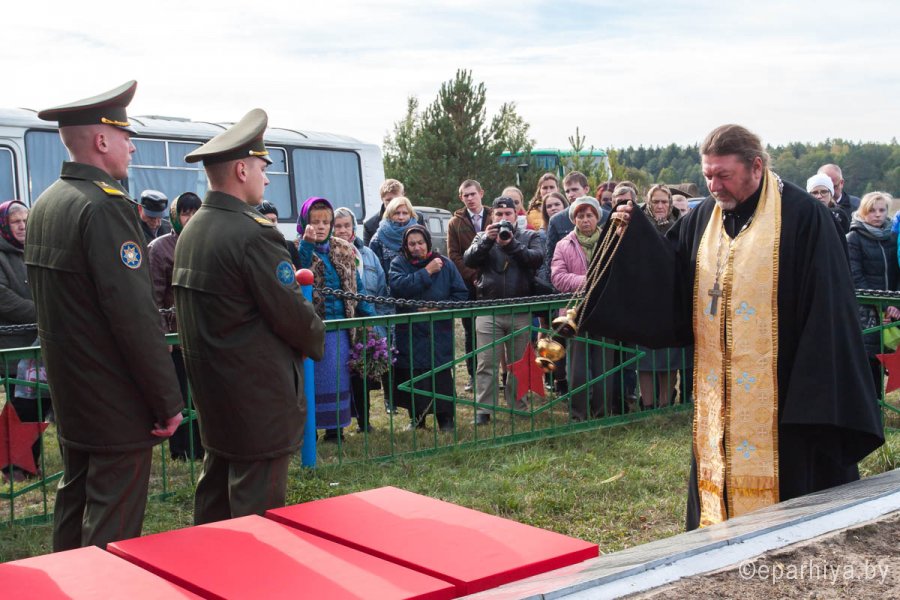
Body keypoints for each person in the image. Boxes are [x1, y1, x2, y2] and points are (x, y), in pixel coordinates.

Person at [579, 124, 884, 530]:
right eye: (708, 175)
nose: (713, 185)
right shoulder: (705, 215)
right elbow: (672, 279)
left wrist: (813, 393)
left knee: (793, 510)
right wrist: (632, 235)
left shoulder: (802, 216)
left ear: (756, 166)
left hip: (785, 395)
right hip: (718, 395)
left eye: (723, 175)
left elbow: (829, 309)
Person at [26, 81, 184, 550]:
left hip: (72, 391)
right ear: (101, 140)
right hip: (115, 396)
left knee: (74, 501)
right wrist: (167, 400)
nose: (132, 147)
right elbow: (133, 315)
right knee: (112, 522)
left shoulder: (47, 203)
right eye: (125, 136)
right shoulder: (106, 207)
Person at [173, 108, 325, 524]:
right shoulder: (253, 234)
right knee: (257, 517)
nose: (266, 178)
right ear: (242, 170)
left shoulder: (193, 230)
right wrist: (316, 337)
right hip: (257, 398)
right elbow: (293, 315)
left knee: (216, 502)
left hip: (216, 395)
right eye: (262, 167)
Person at [297, 197, 375, 442]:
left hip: (341, 329)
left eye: (326, 222)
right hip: (311, 328)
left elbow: (356, 286)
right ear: (305, 222)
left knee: (337, 379)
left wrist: (369, 318)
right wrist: (307, 244)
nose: (321, 226)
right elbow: (297, 272)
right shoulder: (296, 247)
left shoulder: (343, 248)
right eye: (315, 221)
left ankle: (335, 430)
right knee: (312, 380)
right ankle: (310, 430)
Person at [464, 196, 544, 424]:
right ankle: (483, 410)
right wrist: (487, 242)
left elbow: (536, 259)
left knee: (520, 362)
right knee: (486, 362)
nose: (503, 218)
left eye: (508, 213)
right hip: (489, 309)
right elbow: (469, 260)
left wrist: (511, 244)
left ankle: (518, 406)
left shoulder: (529, 236)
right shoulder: (482, 237)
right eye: (499, 214)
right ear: (492, 217)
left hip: (520, 310)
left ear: (516, 215)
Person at [389, 224, 469, 431]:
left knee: (440, 375)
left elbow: (460, 294)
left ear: (428, 243)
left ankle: (446, 420)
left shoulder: (445, 264)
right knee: (413, 375)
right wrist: (426, 272)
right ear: (406, 246)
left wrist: (439, 307)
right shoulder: (399, 263)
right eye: (412, 244)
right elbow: (398, 287)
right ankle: (417, 420)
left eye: (420, 243)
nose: (417, 248)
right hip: (410, 333)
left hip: (437, 332)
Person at [550, 196, 620, 420]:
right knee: (577, 367)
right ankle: (577, 414)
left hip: (604, 310)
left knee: (604, 364)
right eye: (580, 216)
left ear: (598, 217)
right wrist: (589, 281)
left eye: (590, 215)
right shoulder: (563, 245)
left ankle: (602, 413)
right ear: (574, 219)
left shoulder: (612, 241)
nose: (585, 220)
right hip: (574, 314)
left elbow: (620, 272)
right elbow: (558, 278)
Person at [148, 192, 204, 461]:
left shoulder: (206, 243)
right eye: (185, 213)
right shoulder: (160, 248)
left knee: (202, 394)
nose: (190, 218)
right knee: (181, 394)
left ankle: (202, 446)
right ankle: (182, 450)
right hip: (175, 337)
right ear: (174, 216)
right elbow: (154, 295)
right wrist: (163, 335)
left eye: (195, 212)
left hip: (202, 334)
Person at [332, 206, 392, 432]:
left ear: (354, 227)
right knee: (338, 374)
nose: (343, 230)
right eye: (338, 226)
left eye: (347, 225)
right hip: (341, 322)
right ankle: (335, 427)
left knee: (362, 375)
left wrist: (379, 326)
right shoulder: (329, 253)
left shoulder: (367, 254)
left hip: (366, 322)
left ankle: (364, 423)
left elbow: (382, 291)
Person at [0, 200, 42, 483]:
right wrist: (42, 312)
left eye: (26, 220)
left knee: (38, 401)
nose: (22, 226)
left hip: (38, 342)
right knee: (19, 405)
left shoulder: (34, 250)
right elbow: (3, 298)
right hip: (13, 346)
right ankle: (13, 468)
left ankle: (30, 464)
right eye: (15, 221)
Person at [846, 191, 899, 392]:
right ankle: (873, 408)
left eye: (882, 210)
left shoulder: (893, 237)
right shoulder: (853, 238)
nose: (877, 214)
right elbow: (856, 277)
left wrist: (895, 304)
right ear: (863, 212)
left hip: (893, 312)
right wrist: (882, 306)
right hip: (866, 313)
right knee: (870, 364)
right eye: (872, 210)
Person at [638, 184, 681, 408]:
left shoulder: (680, 226)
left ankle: (665, 403)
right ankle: (647, 404)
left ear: (670, 203)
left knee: (669, 356)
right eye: (656, 201)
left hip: (670, 301)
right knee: (644, 356)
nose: (660, 206)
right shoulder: (639, 226)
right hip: (645, 300)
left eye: (664, 201)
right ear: (649, 203)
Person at [447, 179, 491, 390]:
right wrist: (472, 275)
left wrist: (489, 275)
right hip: (468, 285)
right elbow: (453, 254)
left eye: (473, 194)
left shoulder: (494, 216)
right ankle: (473, 375)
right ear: (461, 197)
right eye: (466, 195)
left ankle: (498, 375)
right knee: (471, 332)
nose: (470, 198)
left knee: (495, 329)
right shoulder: (454, 223)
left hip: (494, 283)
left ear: (481, 193)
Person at [369, 196, 419, 280]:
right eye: (396, 213)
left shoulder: (419, 233)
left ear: (411, 214)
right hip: (388, 284)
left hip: (416, 281)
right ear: (389, 214)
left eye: (405, 213)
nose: (401, 217)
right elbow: (373, 268)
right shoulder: (378, 238)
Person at [258, 200, 301, 267]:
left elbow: (299, 270)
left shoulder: (289, 246)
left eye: (274, 220)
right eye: (267, 220)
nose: (271, 223)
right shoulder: (253, 248)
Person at [364, 179, 404, 246]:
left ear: (403, 196)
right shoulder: (370, 225)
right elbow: (368, 252)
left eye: (397, 199)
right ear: (382, 199)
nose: (393, 204)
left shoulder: (417, 218)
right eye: (388, 200)